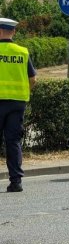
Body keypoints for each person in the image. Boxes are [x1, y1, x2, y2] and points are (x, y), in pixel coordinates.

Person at [0, 17, 37, 192]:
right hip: (17, 103)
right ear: (13, 32)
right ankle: (16, 181)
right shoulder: (23, 52)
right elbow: (33, 79)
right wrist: (23, 91)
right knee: (13, 141)